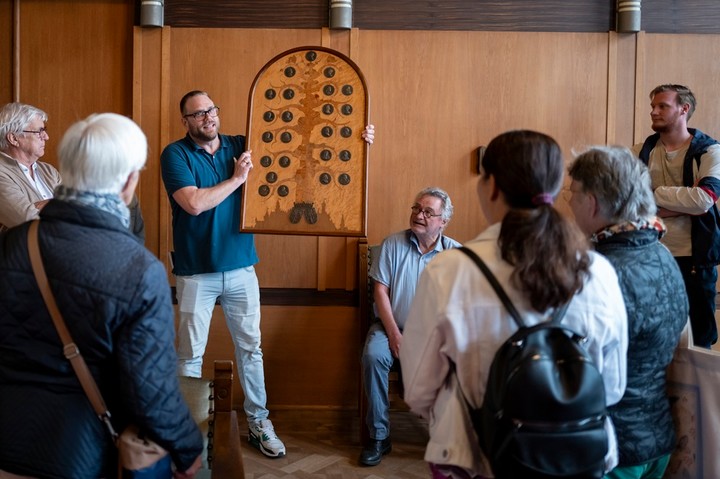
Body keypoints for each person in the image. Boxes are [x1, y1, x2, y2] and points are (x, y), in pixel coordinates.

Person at [400, 130, 628, 479]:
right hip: (577, 457)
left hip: (477, 457)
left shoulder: (450, 271)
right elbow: (611, 388)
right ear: (554, 190)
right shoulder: (599, 271)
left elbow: (417, 390)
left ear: (490, 186)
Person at [160, 90, 374, 459]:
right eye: (198, 114)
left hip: (242, 267)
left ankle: (259, 424)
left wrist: (356, 137)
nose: (207, 118)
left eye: (211, 110)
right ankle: (187, 432)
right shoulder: (175, 154)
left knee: (251, 349)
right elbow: (193, 204)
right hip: (196, 273)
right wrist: (238, 179)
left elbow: (300, 152)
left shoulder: (241, 144)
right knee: (190, 356)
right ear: (186, 121)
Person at [0, 113, 203, 479]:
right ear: (128, 182)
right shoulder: (140, 269)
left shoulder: (13, 244)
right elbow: (151, 390)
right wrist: (188, 448)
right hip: (81, 454)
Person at [568, 146, 689, 479]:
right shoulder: (664, 255)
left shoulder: (599, 270)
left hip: (611, 448)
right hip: (656, 437)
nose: (568, 203)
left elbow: (578, 367)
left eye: (572, 193)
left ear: (592, 201)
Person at [360, 187, 461, 466]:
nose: (419, 215)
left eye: (429, 212)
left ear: (443, 221)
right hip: (390, 326)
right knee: (373, 355)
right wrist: (394, 335)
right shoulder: (391, 244)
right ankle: (379, 436)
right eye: (417, 208)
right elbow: (380, 291)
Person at [632, 84, 720, 349]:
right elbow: (628, 201)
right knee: (652, 337)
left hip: (695, 259)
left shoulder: (710, 151)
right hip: (649, 255)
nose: (654, 112)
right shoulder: (638, 152)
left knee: (699, 339)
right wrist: (685, 203)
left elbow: (705, 198)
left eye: (662, 106)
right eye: (652, 107)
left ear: (684, 109)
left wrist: (653, 195)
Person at [0, 102, 60, 233]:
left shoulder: (49, 171)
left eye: (44, 130)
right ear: (13, 138)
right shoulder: (2, 173)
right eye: (39, 131)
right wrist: (59, 203)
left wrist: (44, 205)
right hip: (24, 252)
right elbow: (28, 220)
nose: (46, 137)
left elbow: (80, 206)